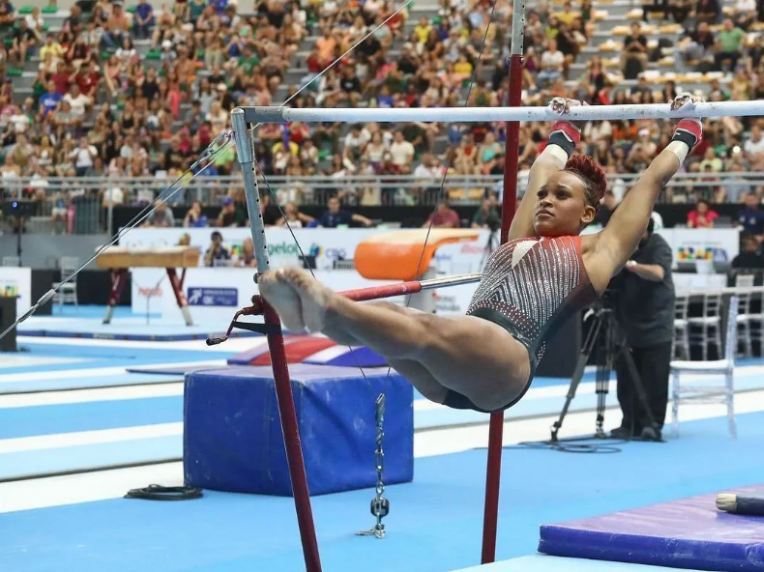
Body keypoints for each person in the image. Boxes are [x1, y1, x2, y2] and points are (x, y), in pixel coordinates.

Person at [257, 95, 704, 413]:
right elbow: (540, 172)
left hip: (506, 362)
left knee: (419, 324)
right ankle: (316, 316)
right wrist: (565, 129)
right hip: (452, 375)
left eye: (561, 196)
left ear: (588, 212)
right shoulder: (519, 235)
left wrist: (688, 129)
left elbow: (650, 182)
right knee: (395, 328)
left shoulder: (598, 251)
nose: (546, 200)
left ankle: (326, 305)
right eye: (544, 195)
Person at [611, 218, 674, 441]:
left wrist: (631, 265)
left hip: (655, 324)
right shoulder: (622, 247)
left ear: (644, 234)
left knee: (654, 379)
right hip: (627, 323)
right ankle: (630, 422)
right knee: (626, 379)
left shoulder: (659, 246)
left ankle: (652, 422)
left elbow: (658, 273)